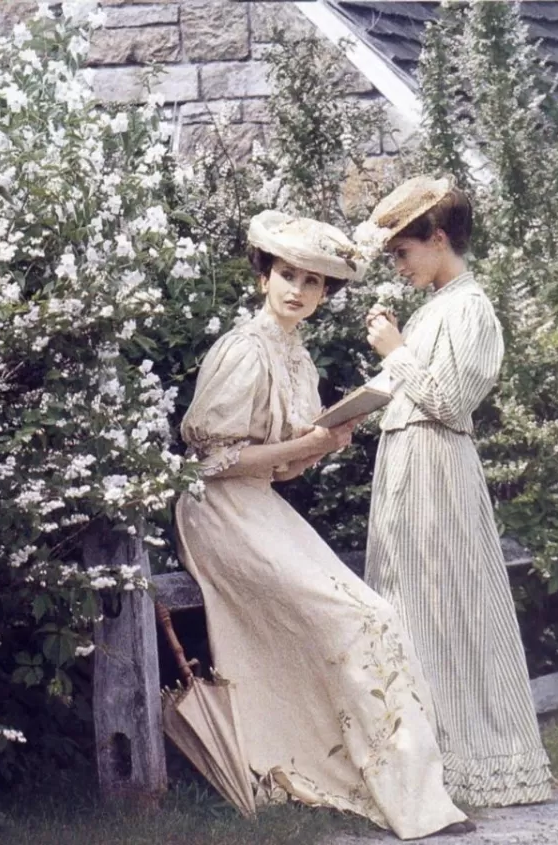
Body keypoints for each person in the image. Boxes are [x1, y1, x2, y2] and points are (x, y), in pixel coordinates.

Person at [174, 209, 473, 838]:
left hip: (260, 503)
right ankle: (359, 778)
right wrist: (303, 444)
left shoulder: (298, 358)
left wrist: (325, 442)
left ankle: (414, 796)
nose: (297, 292)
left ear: (324, 295)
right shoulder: (243, 349)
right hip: (217, 511)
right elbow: (210, 464)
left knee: (372, 614)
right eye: (287, 275)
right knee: (354, 615)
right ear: (264, 276)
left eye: (313, 284)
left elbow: (283, 475)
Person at [357, 176, 553, 807]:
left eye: (404, 252)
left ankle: (478, 757)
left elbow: (449, 401)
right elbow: (405, 393)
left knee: (452, 607)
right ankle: (417, 758)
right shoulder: (432, 309)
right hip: (406, 464)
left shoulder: (472, 309)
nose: (398, 264)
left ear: (438, 239)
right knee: (406, 604)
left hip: (439, 468)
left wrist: (395, 350)